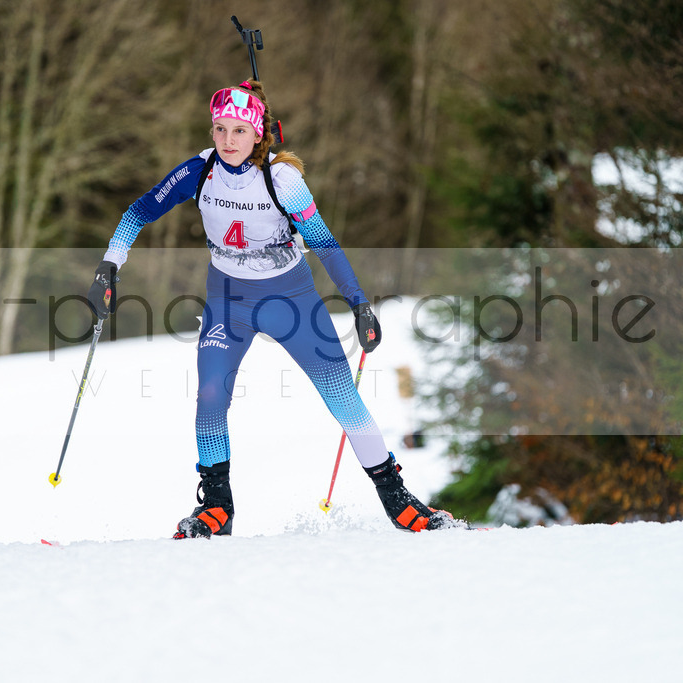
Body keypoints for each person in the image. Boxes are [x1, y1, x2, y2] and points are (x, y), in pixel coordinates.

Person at [87, 80, 460, 537]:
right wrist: (111, 262)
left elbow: (323, 242)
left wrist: (359, 303)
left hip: (291, 299)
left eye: (239, 131)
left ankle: (400, 503)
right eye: (219, 129)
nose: (227, 141)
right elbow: (140, 211)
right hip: (228, 301)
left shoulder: (283, 180)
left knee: (342, 397)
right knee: (210, 396)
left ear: (258, 133)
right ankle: (216, 509)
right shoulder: (200, 171)